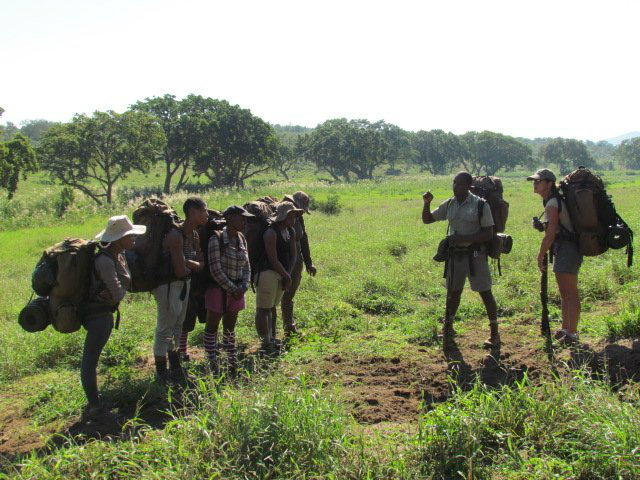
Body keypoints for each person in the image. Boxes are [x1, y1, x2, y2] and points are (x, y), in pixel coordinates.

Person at [422, 172, 500, 350]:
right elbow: (427, 220)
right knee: (453, 292)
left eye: (458, 184)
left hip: (475, 255)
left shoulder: (481, 205)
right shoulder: (450, 203)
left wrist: (465, 238)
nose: (455, 187)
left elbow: (488, 233)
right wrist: (426, 203)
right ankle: (448, 328)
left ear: (468, 185)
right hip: (455, 255)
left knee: (485, 292)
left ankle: (494, 333)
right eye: (454, 183)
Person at [84, 215, 146, 420]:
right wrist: (116, 292)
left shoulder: (117, 256)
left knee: (92, 360)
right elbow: (118, 292)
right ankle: (94, 407)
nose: (133, 240)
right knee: (89, 362)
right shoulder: (105, 261)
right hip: (98, 315)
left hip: (104, 313)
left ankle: (95, 403)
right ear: (119, 239)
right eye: (130, 236)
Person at [153, 197, 207, 384]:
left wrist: (188, 263)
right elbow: (180, 269)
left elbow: (199, 262)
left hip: (183, 284)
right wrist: (192, 264)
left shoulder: (194, 235)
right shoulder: (176, 235)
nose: (207, 214)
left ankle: (175, 369)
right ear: (192, 212)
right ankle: (161, 374)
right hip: (169, 285)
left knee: (177, 326)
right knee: (164, 329)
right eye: (203, 211)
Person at [528, 168, 582, 344]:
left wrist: (540, 254)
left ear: (549, 183)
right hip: (565, 247)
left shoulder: (552, 203)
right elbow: (555, 228)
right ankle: (566, 329)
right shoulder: (551, 201)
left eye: (539, 181)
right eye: (534, 181)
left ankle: (572, 334)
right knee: (565, 292)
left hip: (567, 248)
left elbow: (551, 234)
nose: (535, 184)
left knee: (570, 293)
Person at [203, 205, 253, 375]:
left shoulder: (241, 239)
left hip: (237, 289)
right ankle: (211, 360)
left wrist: (244, 286)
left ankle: (231, 358)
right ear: (230, 218)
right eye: (241, 217)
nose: (244, 220)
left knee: (230, 327)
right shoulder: (215, 239)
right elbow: (215, 269)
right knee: (212, 327)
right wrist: (233, 288)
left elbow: (247, 266)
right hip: (218, 289)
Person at [254, 202, 302, 355]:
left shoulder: (290, 231)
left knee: (271, 308)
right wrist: (287, 275)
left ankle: (271, 339)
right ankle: (266, 342)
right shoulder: (271, 233)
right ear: (283, 216)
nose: (294, 218)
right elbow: (272, 259)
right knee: (264, 309)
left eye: (294, 215)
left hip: (282, 273)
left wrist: (287, 273)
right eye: (291, 215)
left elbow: (294, 255)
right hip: (268, 273)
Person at [274, 191, 317, 340]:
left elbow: (303, 239)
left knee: (288, 296)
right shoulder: (280, 212)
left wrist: (308, 262)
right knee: (274, 298)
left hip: (296, 261)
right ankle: (270, 335)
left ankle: (288, 326)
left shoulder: (298, 217)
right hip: (281, 262)